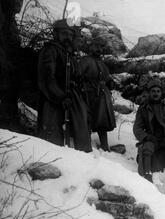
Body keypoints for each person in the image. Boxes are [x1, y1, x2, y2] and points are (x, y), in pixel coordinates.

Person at [37, 19, 92, 152]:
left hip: (70, 100)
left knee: (78, 136)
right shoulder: (50, 50)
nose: (67, 37)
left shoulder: (68, 54)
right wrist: (60, 97)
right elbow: (47, 78)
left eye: (70, 34)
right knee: (52, 138)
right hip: (53, 101)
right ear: (55, 34)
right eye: (64, 33)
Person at [78, 38, 116, 151]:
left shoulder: (103, 64)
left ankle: (104, 146)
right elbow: (78, 75)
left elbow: (107, 78)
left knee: (102, 121)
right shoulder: (85, 61)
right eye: (96, 46)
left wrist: (111, 83)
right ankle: (85, 145)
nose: (99, 49)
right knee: (87, 119)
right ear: (90, 47)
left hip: (103, 97)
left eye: (100, 47)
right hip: (89, 94)